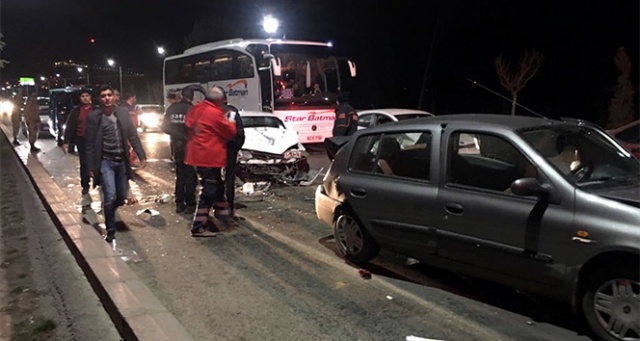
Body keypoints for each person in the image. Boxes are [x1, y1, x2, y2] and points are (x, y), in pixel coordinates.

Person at [85, 85, 147, 246]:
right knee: (110, 195)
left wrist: (141, 155)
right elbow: (90, 143)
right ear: (100, 99)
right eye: (103, 96)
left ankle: (111, 210)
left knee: (120, 196)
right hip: (105, 161)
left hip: (121, 161)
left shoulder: (122, 114)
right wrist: (90, 166)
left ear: (114, 97)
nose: (107, 98)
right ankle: (111, 231)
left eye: (109, 95)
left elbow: (133, 135)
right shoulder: (94, 117)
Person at [185, 86, 236, 237]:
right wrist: (230, 119)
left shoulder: (196, 109)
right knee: (210, 189)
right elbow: (230, 132)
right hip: (208, 156)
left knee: (217, 185)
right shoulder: (214, 113)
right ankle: (198, 226)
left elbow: (188, 123)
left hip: (196, 154)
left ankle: (223, 215)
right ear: (219, 100)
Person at [161, 87, 197, 214]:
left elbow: (164, 127)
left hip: (176, 147)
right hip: (189, 147)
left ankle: (179, 203)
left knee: (180, 175)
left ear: (181, 96)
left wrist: (177, 135)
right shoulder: (192, 109)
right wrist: (185, 136)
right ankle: (190, 204)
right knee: (190, 175)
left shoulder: (172, 109)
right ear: (192, 97)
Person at [62, 89, 97, 207]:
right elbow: (70, 126)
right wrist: (65, 141)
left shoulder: (96, 110)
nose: (85, 98)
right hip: (81, 140)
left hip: (95, 140)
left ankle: (98, 181)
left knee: (97, 162)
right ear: (80, 98)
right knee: (85, 162)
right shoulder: (76, 111)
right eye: (83, 96)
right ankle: (85, 185)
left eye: (87, 95)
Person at [215, 86, 245, 219]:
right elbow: (239, 133)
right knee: (229, 177)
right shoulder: (232, 111)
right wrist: (235, 147)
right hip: (230, 148)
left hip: (215, 150)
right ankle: (230, 206)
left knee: (215, 178)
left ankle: (218, 207)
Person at [120, 92, 138, 165]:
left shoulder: (129, 107)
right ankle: (129, 161)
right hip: (128, 130)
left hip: (131, 129)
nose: (135, 99)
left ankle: (130, 161)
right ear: (131, 98)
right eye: (134, 97)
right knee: (129, 145)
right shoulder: (125, 108)